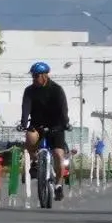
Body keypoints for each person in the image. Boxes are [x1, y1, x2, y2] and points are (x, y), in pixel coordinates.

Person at [20, 61, 69, 201]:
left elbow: (63, 109)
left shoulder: (56, 89)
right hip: (37, 125)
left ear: (45, 76)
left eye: (36, 76)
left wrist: (65, 123)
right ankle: (35, 161)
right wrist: (24, 123)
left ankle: (59, 185)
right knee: (30, 137)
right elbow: (26, 108)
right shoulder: (29, 91)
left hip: (56, 125)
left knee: (59, 155)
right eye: (33, 76)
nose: (34, 79)